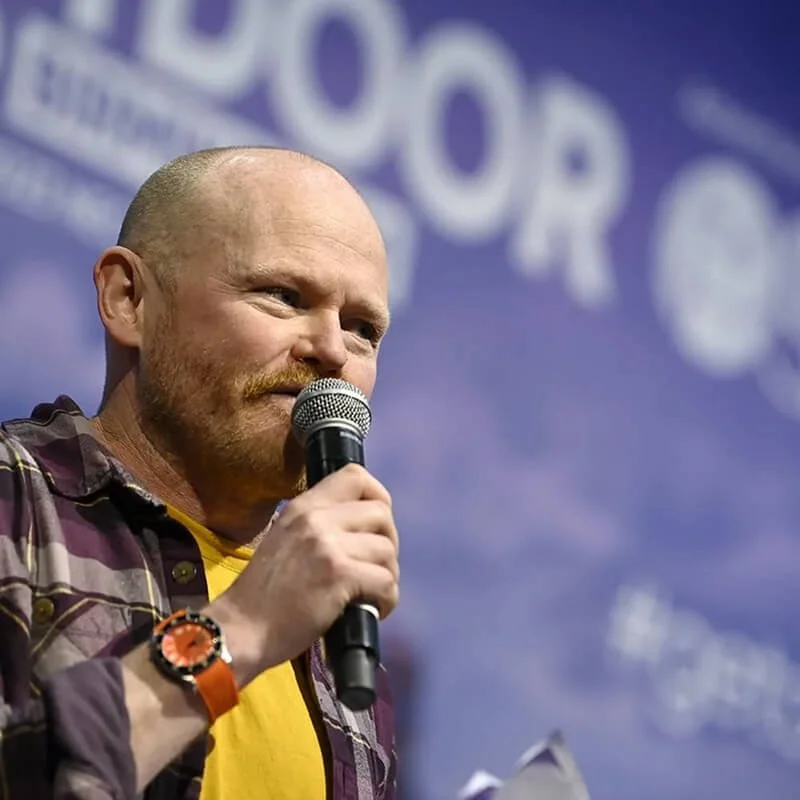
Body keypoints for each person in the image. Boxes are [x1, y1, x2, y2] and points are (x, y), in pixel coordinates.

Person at [0, 146, 400, 800]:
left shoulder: (345, 638)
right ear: (129, 299)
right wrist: (242, 631)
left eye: (362, 328)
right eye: (284, 295)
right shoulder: (15, 504)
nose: (332, 349)